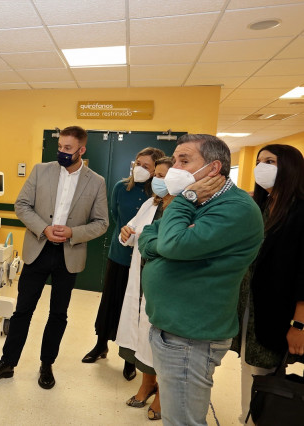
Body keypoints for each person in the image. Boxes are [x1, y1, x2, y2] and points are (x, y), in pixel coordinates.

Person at [137, 133, 263, 426]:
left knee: (184, 421)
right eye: (176, 159)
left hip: (192, 336)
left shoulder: (235, 208)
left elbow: (172, 244)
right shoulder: (201, 202)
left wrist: (186, 199)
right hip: (175, 329)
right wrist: (164, 240)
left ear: (213, 168)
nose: (174, 168)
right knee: (176, 415)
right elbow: (150, 236)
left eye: (184, 160)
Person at [0, 125, 109, 389]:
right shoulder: (42, 170)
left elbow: (102, 223)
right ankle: (7, 363)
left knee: (58, 314)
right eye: (60, 147)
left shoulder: (96, 182)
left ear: (81, 150)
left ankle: (46, 364)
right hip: (37, 249)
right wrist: (43, 228)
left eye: (68, 148)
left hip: (69, 254)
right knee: (23, 310)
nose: (62, 152)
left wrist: (73, 231)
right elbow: (21, 205)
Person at [230, 144, 304, 424]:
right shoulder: (258, 206)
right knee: (250, 368)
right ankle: (247, 416)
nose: (261, 167)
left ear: (289, 167)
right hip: (249, 306)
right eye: (259, 161)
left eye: (270, 161)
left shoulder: (299, 212)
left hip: (279, 310)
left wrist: (299, 324)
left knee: (269, 373)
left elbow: (302, 274)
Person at [82, 147, 164, 382]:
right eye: (137, 163)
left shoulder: (158, 195)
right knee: (110, 302)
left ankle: (130, 360)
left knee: (135, 310)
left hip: (143, 262)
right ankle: (100, 346)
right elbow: (117, 218)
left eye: (146, 166)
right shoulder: (121, 187)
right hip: (119, 255)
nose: (140, 168)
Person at [114, 156, 174, 421]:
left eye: (164, 176)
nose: (158, 181)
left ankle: (163, 392)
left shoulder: (185, 207)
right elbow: (131, 230)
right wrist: (126, 233)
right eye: (156, 176)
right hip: (140, 276)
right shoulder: (151, 203)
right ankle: (147, 383)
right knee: (142, 331)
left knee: (161, 337)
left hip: (165, 282)